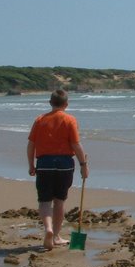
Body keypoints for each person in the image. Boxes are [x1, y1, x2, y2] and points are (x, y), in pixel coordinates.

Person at [27, 89, 89, 250]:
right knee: (59, 201)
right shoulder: (70, 120)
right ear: (66, 104)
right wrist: (84, 165)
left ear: (50, 103)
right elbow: (76, 144)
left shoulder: (40, 120)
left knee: (44, 201)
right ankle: (56, 235)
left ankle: (48, 228)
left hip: (44, 162)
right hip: (64, 164)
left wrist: (31, 164)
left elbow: (31, 144)